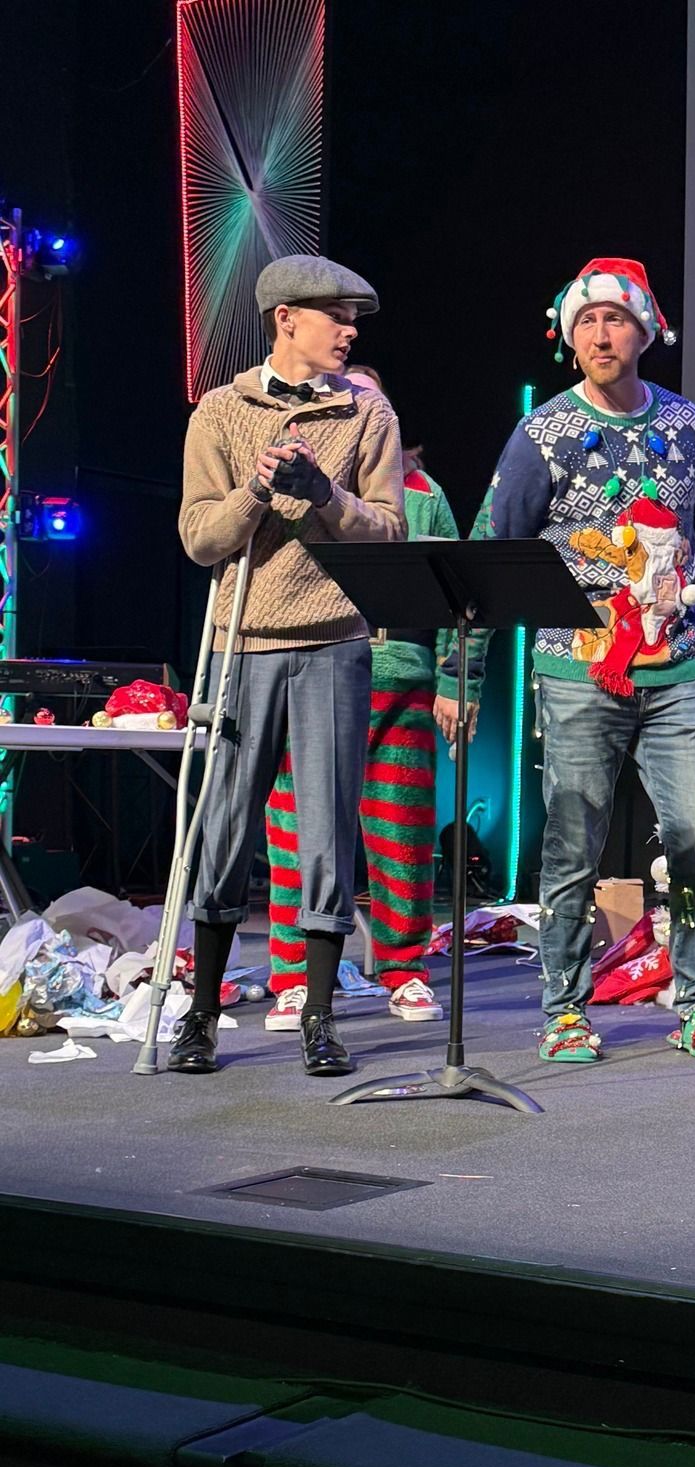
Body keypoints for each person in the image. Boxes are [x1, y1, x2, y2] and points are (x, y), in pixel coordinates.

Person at [437, 257, 695, 1064]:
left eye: (616, 319)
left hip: (676, 667)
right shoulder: (546, 432)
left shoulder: (685, 422)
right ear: (568, 336)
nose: (601, 335)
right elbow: (490, 548)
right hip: (579, 670)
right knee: (573, 839)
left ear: (645, 329)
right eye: (587, 322)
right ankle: (564, 1008)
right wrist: (456, 670)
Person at [173, 255, 405, 1076]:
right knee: (226, 823)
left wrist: (326, 496)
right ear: (286, 321)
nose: (348, 331)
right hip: (246, 640)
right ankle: (200, 1011)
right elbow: (199, 538)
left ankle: (316, 1014)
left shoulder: (366, 412)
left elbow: (389, 532)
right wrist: (258, 495)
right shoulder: (223, 409)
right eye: (334, 316)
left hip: (335, 639)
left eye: (353, 319)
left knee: (326, 827)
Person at [262, 363, 452, 1031]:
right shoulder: (300, 493)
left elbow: (461, 598)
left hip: (399, 681)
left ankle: (404, 969)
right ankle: (292, 976)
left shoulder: (424, 498)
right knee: (297, 830)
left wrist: (454, 681)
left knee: (401, 836)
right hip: (312, 676)